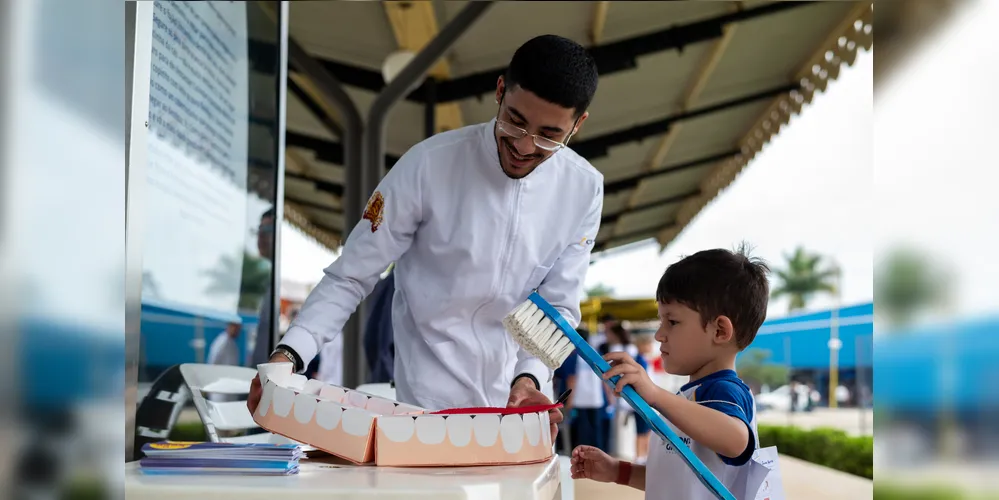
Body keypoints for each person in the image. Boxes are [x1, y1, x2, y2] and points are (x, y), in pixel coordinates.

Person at [247, 35, 603, 444]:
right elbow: (351, 275)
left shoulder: (584, 189)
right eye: (516, 122)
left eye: (548, 136)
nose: (524, 146)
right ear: (500, 90)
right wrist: (289, 355)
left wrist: (530, 378)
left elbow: (558, 307)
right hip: (424, 407)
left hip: (518, 409)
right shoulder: (428, 163)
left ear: (578, 124)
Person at [569, 247, 771, 499]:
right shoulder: (689, 397)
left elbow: (737, 441)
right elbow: (677, 475)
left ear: (719, 330)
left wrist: (655, 395)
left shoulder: (723, 391)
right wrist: (616, 471)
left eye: (672, 322)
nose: (658, 334)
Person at [249, 208, 276, 367]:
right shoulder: (267, 278)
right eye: (259, 230)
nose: (261, 236)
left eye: (267, 230)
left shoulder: (280, 283)